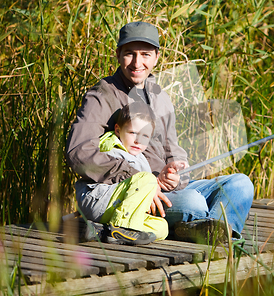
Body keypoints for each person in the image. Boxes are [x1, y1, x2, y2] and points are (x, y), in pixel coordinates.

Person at [66, 21, 254, 244]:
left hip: (168, 189)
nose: (137, 63)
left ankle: (209, 231)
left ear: (156, 56)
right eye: (129, 54)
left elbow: (173, 149)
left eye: (145, 54)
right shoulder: (101, 96)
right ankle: (205, 229)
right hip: (129, 192)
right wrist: (136, 179)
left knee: (241, 184)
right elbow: (79, 152)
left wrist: (176, 172)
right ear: (118, 55)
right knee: (194, 203)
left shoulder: (160, 96)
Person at [74, 101, 169, 244]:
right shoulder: (111, 147)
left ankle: (102, 231)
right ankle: (120, 228)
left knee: (162, 227)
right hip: (99, 199)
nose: (138, 141)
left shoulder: (141, 158)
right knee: (148, 179)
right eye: (133, 133)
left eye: (145, 136)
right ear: (118, 130)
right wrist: (148, 182)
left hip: (116, 209)